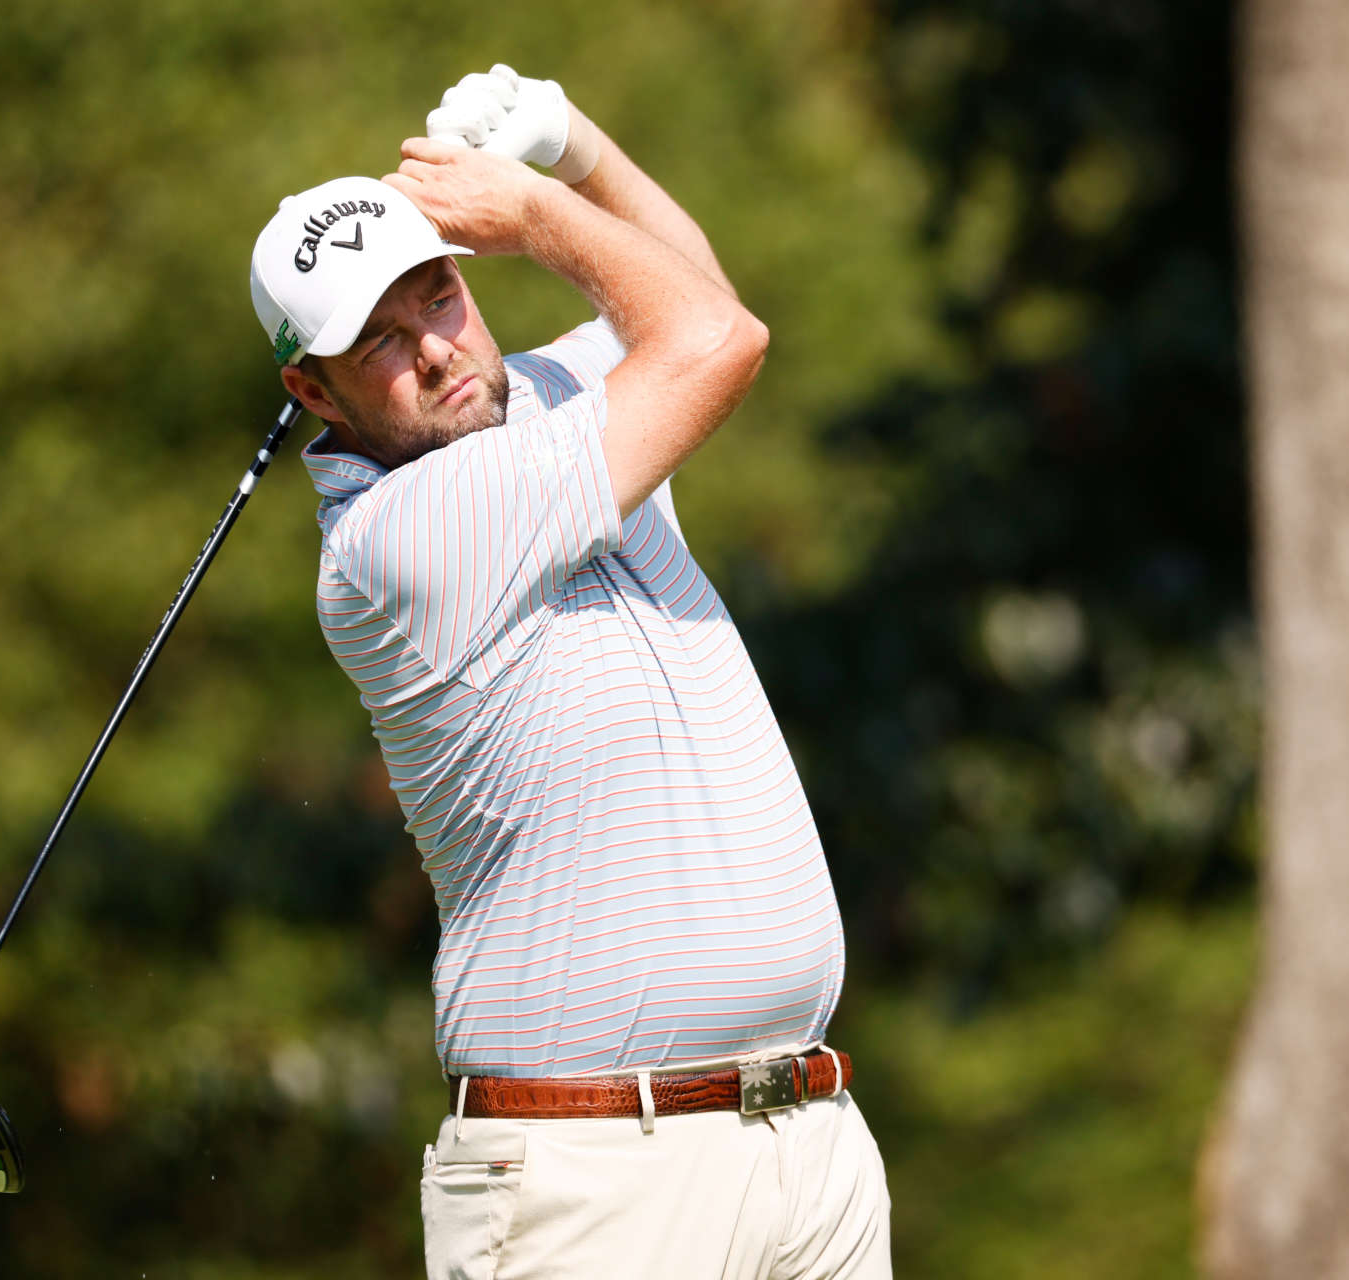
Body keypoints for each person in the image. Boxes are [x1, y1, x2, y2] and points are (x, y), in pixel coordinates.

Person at [247, 66, 891, 1279]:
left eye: (439, 294)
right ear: (311, 391)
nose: (434, 349)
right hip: (595, 1176)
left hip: (804, 1142)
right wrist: (539, 210)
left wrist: (577, 145)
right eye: (378, 340)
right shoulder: (396, 541)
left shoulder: (543, 395)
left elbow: (700, 295)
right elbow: (719, 341)